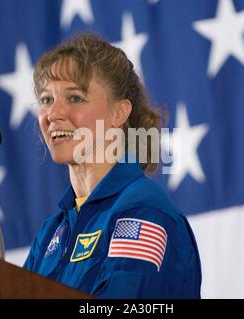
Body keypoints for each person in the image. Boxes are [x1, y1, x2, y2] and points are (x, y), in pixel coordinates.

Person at [23, 32, 202, 298]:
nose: (53, 114)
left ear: (119, 112)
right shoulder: (50, 233)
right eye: (47, 100)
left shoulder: (142, 212)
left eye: (74, 98)